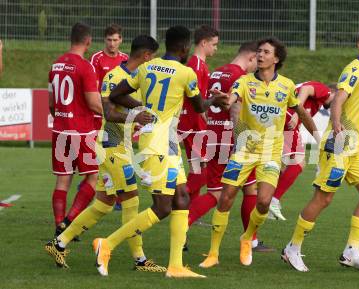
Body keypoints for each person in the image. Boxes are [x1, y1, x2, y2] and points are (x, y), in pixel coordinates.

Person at [91, 25, 228, 278]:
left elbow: (116, 94)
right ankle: (106, 244)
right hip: (158, 145)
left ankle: (175, 266)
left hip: (167, 143)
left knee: (182, 198)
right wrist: (216, 101)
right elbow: (199, 107)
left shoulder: (146, 68)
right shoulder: (186, 73)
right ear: (186, 48)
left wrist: (139, 109)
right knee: (163, 207)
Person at [44, 35, 166, 273]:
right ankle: (140, 260)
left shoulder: (134, 79)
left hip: (120, 146)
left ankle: (59, 243)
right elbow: (108, 113)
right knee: (131, 199)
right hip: (112, 145)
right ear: (146, 56)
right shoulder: (114, 77)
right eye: (153, 57)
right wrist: (135, 117)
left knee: (104, 203)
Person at [199, 37, 319, 268]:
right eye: (259, 52)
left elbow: (302, 113)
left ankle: (247, 237)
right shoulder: (244, 81)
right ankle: (213, 253)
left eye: (265, 52)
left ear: (276, 58)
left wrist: (320, 139)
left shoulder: (285, 85)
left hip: (270, 155)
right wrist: (224, 100)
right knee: (225, 198)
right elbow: (231, 100)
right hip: (243, 152)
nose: (260, 55)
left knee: (263, 202)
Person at [281, 28, 359, 272]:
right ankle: (292, 248)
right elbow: (339, 99)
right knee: (324, 198)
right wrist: (337, 123)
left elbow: (355, 109)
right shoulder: (354, 69)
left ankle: (351, 252)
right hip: (340, 145)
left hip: (357, 146)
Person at [188, 41, 273, 252]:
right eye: (258, 59)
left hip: (212, 136)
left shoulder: (217, 73)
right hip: (232, 140)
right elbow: (236, 111)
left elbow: (205, 106)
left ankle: (182, 224)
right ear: (251, 57)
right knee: (250, 188)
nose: (258, 65)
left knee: (216, 192)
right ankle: (251, 241)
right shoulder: (241, 78)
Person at [47, 22, 102, 238]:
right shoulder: (85, 66)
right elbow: (93, 102)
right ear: (88, 41)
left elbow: (51, 102)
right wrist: (110, 112)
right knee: (92, 178)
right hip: (82, 132)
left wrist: (60, 117)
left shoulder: (56, 65)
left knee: (63, 180)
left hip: (61, 130)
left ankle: (58, 223)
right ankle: (69, 222)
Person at [268, 81, 336, 221]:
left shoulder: (317, 102)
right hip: (286, 116)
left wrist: (319, 139)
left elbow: (306, 117)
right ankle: (272, 200)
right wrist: (296, 114)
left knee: (279, 165)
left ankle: (264, 199)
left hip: (277, 115)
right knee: (298, 163)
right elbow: (305, 89)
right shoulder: (325, 90)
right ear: (334, 92)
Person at [178, 25, 219, 202]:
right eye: (214, 44)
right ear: (204, 43)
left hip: (196, 122)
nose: (216, 48)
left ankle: (188, 213)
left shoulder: (201, 65)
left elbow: (199, 96)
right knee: (204, 172)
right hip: (192, 124)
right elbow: (192, 97)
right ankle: (176, 197)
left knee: (198, 169)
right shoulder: (195, 65)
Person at [90, 24, 128, 132]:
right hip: (101, 112)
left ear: (121, 39)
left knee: (117, 147)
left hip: (119, 112)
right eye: (109, 40)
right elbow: (94, 88)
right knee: (97, 147)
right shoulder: (96, 59)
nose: (112, 44)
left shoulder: (125, 59)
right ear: (104, 40)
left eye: (115, 40)